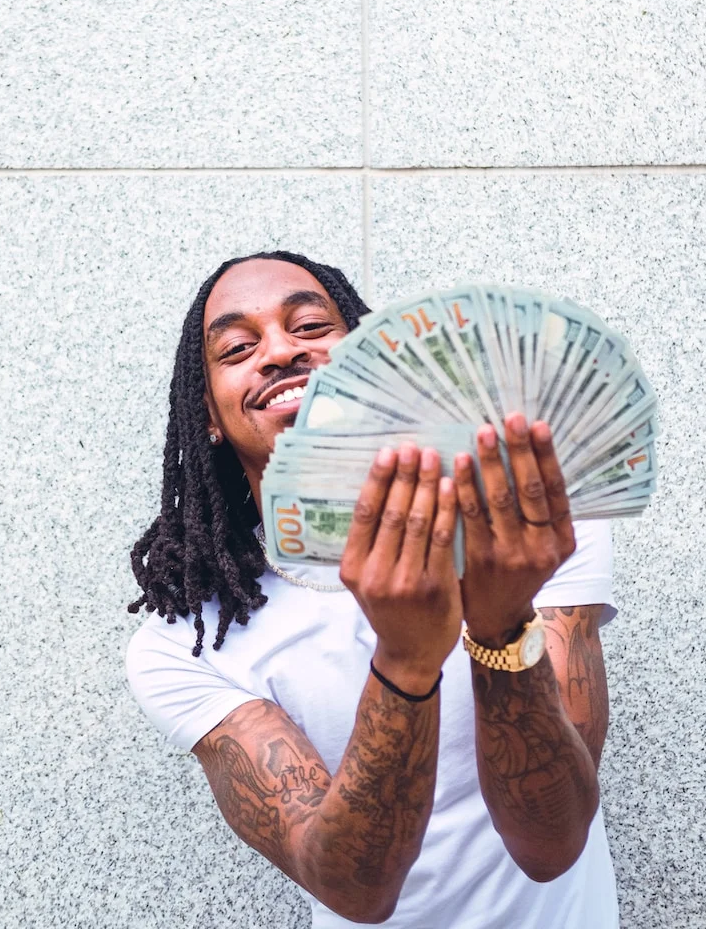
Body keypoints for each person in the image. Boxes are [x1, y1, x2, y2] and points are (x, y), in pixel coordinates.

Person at [126, 250, 619, 928]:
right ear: (207, 415)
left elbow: (552, 842)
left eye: (308, 327)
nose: (278, 352)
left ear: (371, 360)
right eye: (239, 347)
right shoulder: (183, 646)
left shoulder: (524, 528)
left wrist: (502, 625)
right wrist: (406, 662)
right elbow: (356, 890)